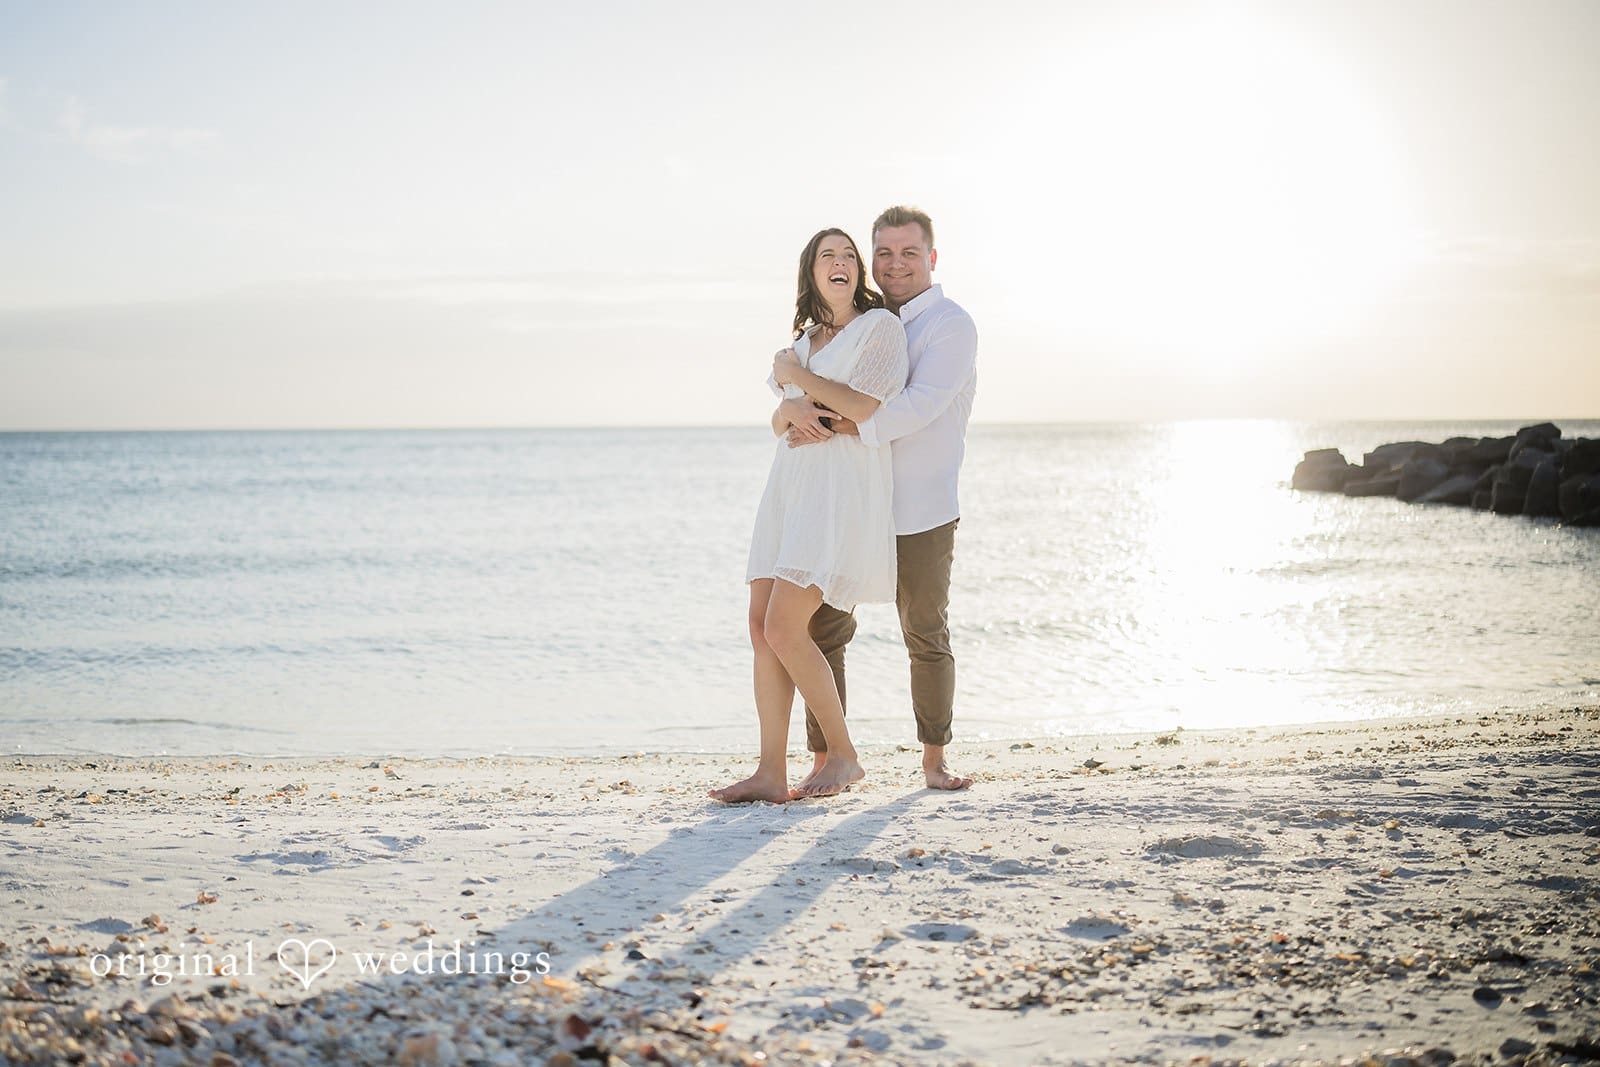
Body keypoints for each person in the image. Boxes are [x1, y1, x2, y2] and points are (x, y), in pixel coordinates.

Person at [775, 206, 977, 793]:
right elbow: (803, 390)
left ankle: (934, 761)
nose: (895, 265)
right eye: (883, 253)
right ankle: (827, 758)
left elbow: (919, 405)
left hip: (919, 505)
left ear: (931, 257)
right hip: (854, 502)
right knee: (824, 629)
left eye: (909, 253)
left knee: (924, 630)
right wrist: (793, 408)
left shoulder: (950, 325)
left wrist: (839, 426)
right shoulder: (859, 324)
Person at [709, 227, 909, 804]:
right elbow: (779, 421)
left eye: (849, 255)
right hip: (788, 489)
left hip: (835, 492)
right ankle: (770, 772)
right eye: (829, 256)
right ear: (812, 271)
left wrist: (796, 382)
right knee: (760, 627)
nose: (841, 262)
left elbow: (862, 406)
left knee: (784, 626)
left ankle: (844, 754)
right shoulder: (802, 342)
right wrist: (792, 407)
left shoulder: (879, 327)